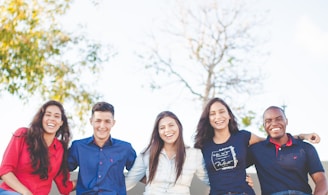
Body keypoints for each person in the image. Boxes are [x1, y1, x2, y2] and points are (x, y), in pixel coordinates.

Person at [193, 97, 320, 195]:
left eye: (222, 112)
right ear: (208, 118)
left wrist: (302, 136)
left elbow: (272, 140)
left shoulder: (243, 137)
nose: (218, 116)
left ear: (229, 115)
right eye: (213, 113)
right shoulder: (203, 145)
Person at [247, 106, 328, 195]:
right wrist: (244, 178)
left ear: (286, 121)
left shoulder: (305, 148)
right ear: (264, 126)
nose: (274, 123)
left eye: (279, 119)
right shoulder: (256, 150)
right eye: (268, 121)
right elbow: (233, 167)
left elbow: (321, 180)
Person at [0, 100, 76, 195]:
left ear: (61, 122)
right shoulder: (22, 135)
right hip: (10, 192)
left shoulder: (60, 149)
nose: (52, 118)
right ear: (41, 118)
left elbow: (64, 187)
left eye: (56, 116)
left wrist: (90, 180)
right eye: (48, 115)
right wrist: (26, 193)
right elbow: (5, 170)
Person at [125, 111, 210, 195]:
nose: (167, 130)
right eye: (162, 128)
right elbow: (128, 182)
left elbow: (210, 180)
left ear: (179, 126)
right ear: (158, 132)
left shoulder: (194, 154)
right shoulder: (147, 154)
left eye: (171, 125)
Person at [68, 101, 137, 195]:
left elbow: (140, 172)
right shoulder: (78, 146)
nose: (102, 126)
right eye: (98, 121)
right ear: (91, 121)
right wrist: (72, 185)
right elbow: (60, 169)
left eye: (107, 121)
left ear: (113, 123)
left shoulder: (125, 148)